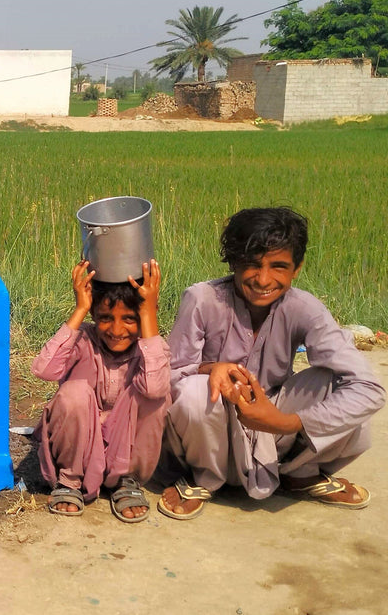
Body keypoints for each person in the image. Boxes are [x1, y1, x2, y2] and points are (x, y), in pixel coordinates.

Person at [159, 207, 386, 519]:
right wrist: (212, 368)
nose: (263, 279)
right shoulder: (202, 299)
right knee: (196, 392)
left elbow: (370, 389)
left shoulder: (305, 308)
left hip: (275, 433)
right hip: (214, 437)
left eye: (278, 266)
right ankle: (204, 478)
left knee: (340, 386)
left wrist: (284, 422)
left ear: (297, 267)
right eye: (252, 265)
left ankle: (299, 472)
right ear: (233, 261)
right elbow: (167, 376)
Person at [33, 259, 170, 523]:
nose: (117, 331)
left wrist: (148, 313)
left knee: (155, 395)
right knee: (73, 393)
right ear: (95, 315)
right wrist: (80, 309)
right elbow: (44, 370)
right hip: (80, 453)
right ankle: (70, 482)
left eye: (129, 319)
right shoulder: (84, 339)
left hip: (127, 450)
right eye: (105, 318)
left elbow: (155, 389)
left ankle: (127, 479)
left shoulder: (152, 348)